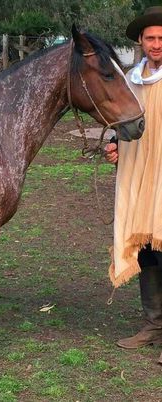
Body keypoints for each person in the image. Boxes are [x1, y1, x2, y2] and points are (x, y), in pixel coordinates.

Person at [104, 6, 162, 362]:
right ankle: (154, 324)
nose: (157, 44)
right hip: (138, 171)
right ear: (140, 42)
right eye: (151, 38)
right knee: (146, 247)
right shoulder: (130, 79)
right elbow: (122, 122)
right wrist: (114, 145)